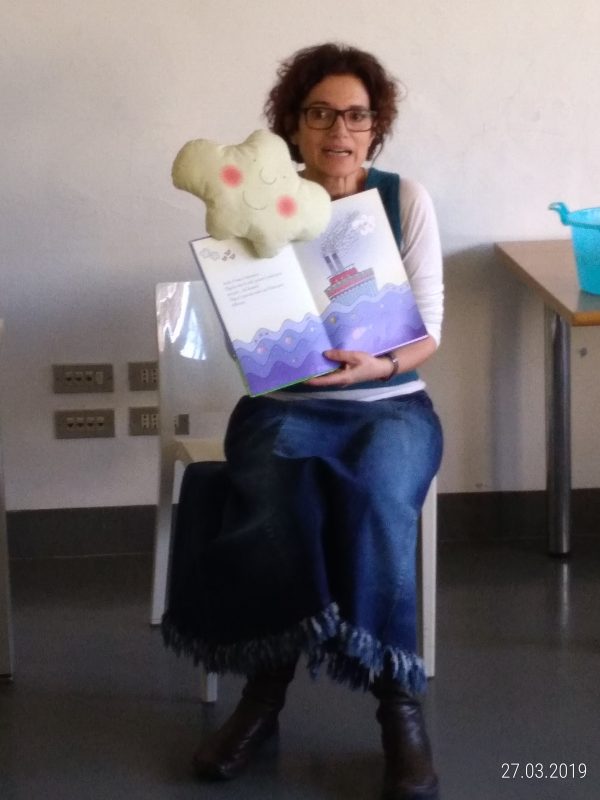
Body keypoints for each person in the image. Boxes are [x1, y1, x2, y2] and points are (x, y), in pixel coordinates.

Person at [162, 42, 444, 800]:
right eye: (320, 113)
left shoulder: (404, 200)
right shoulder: (257, 203)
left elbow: (430, 330)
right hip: (284, 405)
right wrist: (268, 346)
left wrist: (377, 366)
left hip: (390, 403)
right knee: (284, 492)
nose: (338, 130)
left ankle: (398, 706)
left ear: (376, 126)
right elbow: (242, 328)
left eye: (356, 115)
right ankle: (263, 696)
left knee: (381, 490)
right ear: (293, 123)